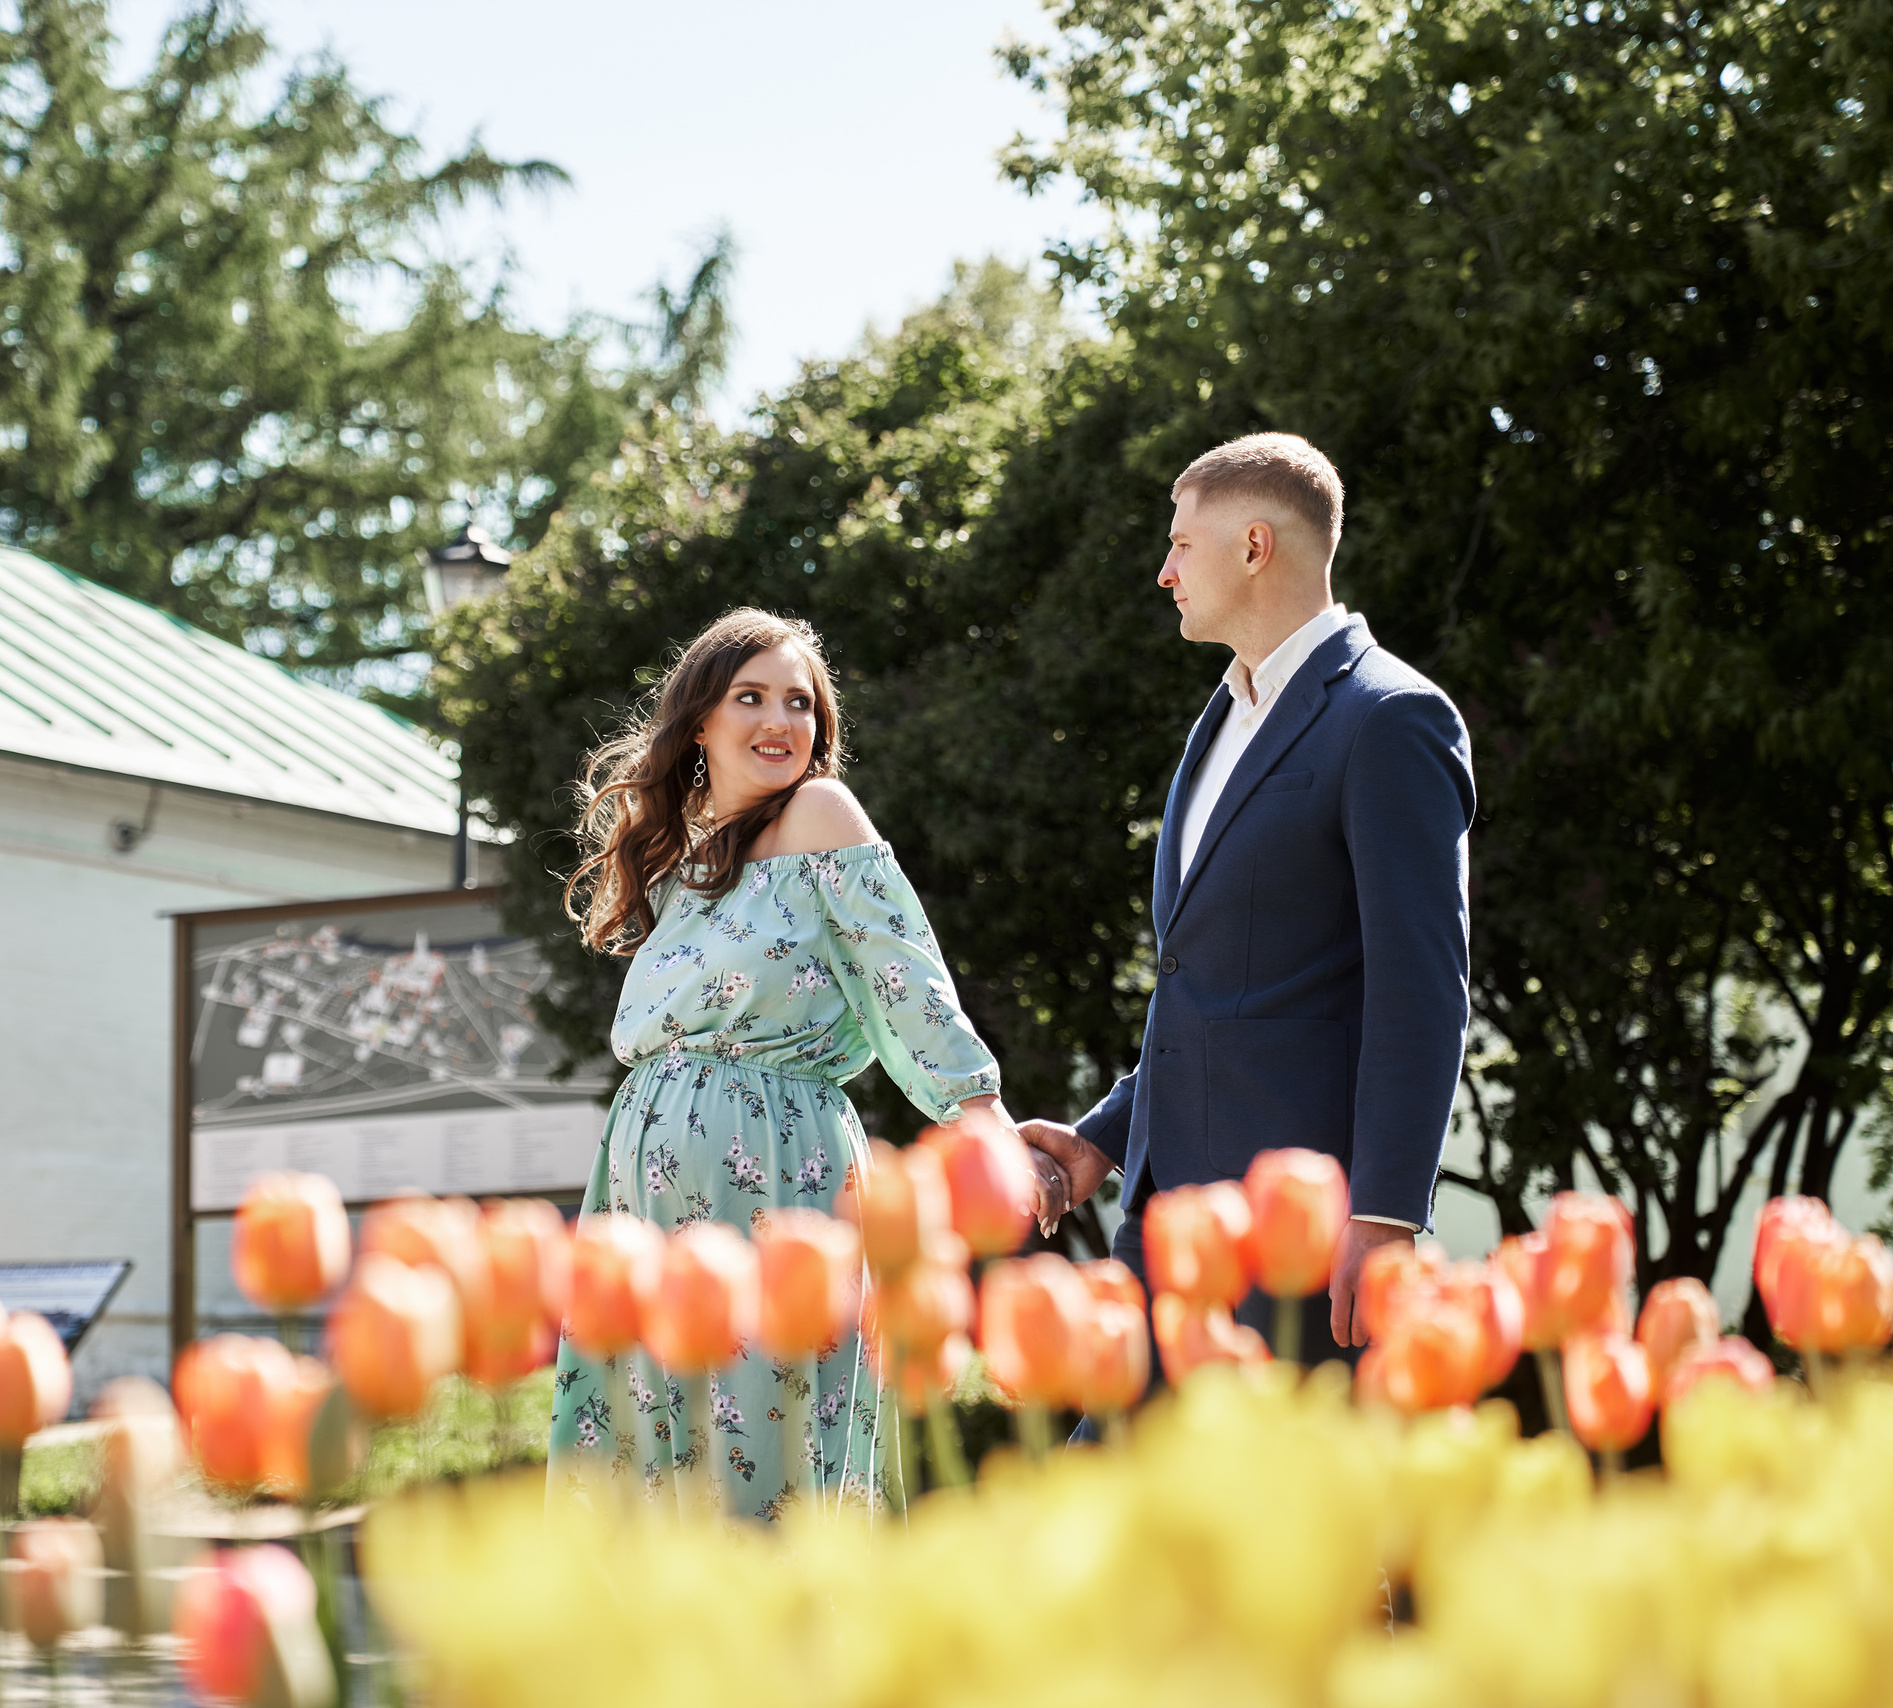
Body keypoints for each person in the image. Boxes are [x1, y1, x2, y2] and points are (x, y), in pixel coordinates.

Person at [546, 607, 1021, 1517]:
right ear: (699, 724)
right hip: (644, 1199)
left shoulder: (821, 813)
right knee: (652, 1446)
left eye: (799, 702)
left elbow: (902, 966)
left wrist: (977, 1107)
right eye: (750, 697)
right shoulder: (688, 864)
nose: (780, 721)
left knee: (767, 1434)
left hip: (772, 1169)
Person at [1023, 433, 1476, 1369]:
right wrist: (1101, 1141)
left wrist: (1384, 1217)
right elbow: (1223, 991)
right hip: (1166, 1224)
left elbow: (1419, 990)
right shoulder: (1222, 716)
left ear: (1255, 546)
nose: (1164, 571)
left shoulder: (1390, 719)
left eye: (1182, 543)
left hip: (1298, 1239)